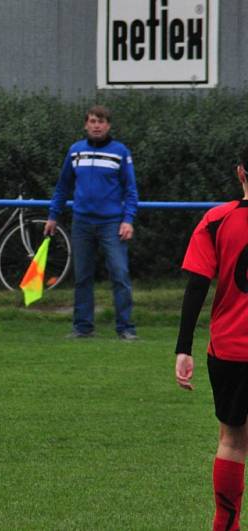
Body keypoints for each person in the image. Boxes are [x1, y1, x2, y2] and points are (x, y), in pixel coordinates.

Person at [175, 146, 248, 531]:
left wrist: (182, 348)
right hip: (232, 348)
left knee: (233, 441)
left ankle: (226, 524)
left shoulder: (218, 219)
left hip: (230, 349)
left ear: (240, 173)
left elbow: (196, 286)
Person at [43, 104, 139, 340]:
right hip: (82, 222)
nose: (97, 126)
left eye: (101, 121)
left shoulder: (120, 152)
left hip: (111, 223)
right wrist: (53, 216)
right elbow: (63, 186)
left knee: (120, 274)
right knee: (83, 276)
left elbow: (131, 190)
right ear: (86, 125)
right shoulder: (75, 151)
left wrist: (128, 220)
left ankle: (126, 328)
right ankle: (83, 327)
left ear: (108, 125)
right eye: (93, 121)